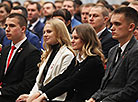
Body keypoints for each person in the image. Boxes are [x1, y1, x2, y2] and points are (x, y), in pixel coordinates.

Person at [18, 23, 105, 102]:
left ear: (86, 39)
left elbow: (70, 82)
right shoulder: (78, 58)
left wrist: (43, 96)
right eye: (72, 37)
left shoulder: (93, 61)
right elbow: (62, 77)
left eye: (76, 38)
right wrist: (39, 93)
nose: (72, 41)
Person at [16, 18, 75, 102]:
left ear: (59, 33)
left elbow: (60, 82)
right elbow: (39, 82)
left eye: (49, 32)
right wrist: (30, 96)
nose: (45, 35)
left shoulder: (67, 54)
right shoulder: (48, 53)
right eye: (44, 32)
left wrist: (40, 97)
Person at [87, 7, 138, 102]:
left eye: (117, 24)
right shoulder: (113, 50)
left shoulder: (135, 51)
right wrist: (94, 97)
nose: (112, 28)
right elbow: (105, 84)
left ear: (131, 27)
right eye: (111, 24)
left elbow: (132, 90)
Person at [0, 13, 41, 102]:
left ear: (23, 29)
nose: (7, 29)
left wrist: (1, 92)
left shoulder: (31, 52)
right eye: (6, 25)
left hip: (16, 97)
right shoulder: (6, 49)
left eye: (12, 26)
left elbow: (27, 84)